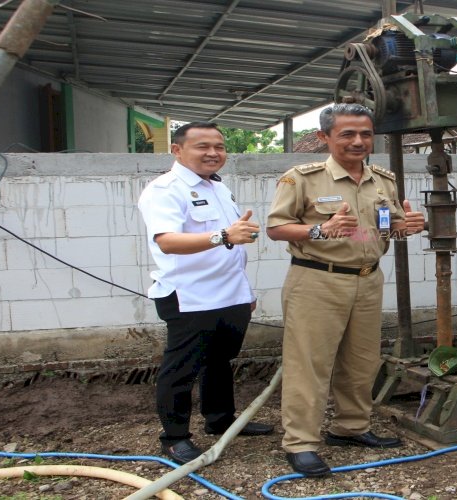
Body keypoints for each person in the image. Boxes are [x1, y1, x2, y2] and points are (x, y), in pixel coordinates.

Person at [266, 103, 426, 478]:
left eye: (366, 134)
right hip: (317, 280)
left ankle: (350, 428)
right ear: (324, 137)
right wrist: (320, 230)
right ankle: (301, 443)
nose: (358, 141)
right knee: (310, 363)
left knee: (362, 360)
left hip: (368, 279)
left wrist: (407, 225)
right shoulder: (302, 178)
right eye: (347, 134)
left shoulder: (382, 180)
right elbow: (275, 228)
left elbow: (386, 225)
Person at [138, 122, 273, 465]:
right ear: (177, 150)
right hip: (190, 296)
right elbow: (167, 241)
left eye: (219, 146)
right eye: (203, 146)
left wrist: (244, 291)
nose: (213, 153)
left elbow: (233, 243)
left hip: (231, 294)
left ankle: (220, 419)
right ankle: (174, 437)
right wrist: (223, 236)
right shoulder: (165, 189)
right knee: (181, 368)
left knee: (220, 362)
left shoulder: (218, 187)